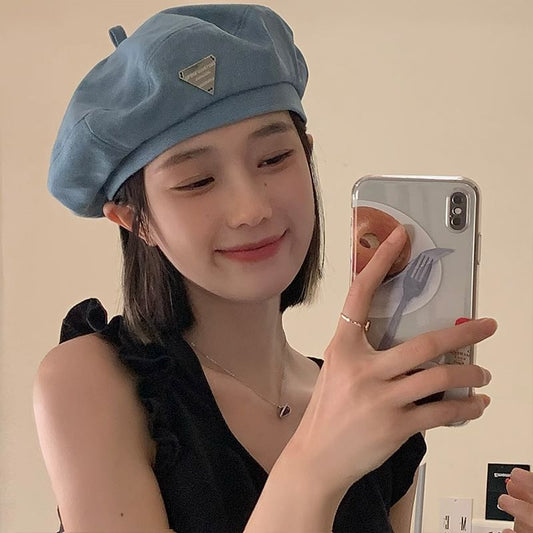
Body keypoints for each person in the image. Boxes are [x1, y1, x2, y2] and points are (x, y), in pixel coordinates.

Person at [33, 4, 503, 532]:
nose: (251, 208)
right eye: (197, 181)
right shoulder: (92, 382)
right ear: (134, 220)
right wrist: (317, 463)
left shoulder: (369, 404)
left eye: (274, 158)